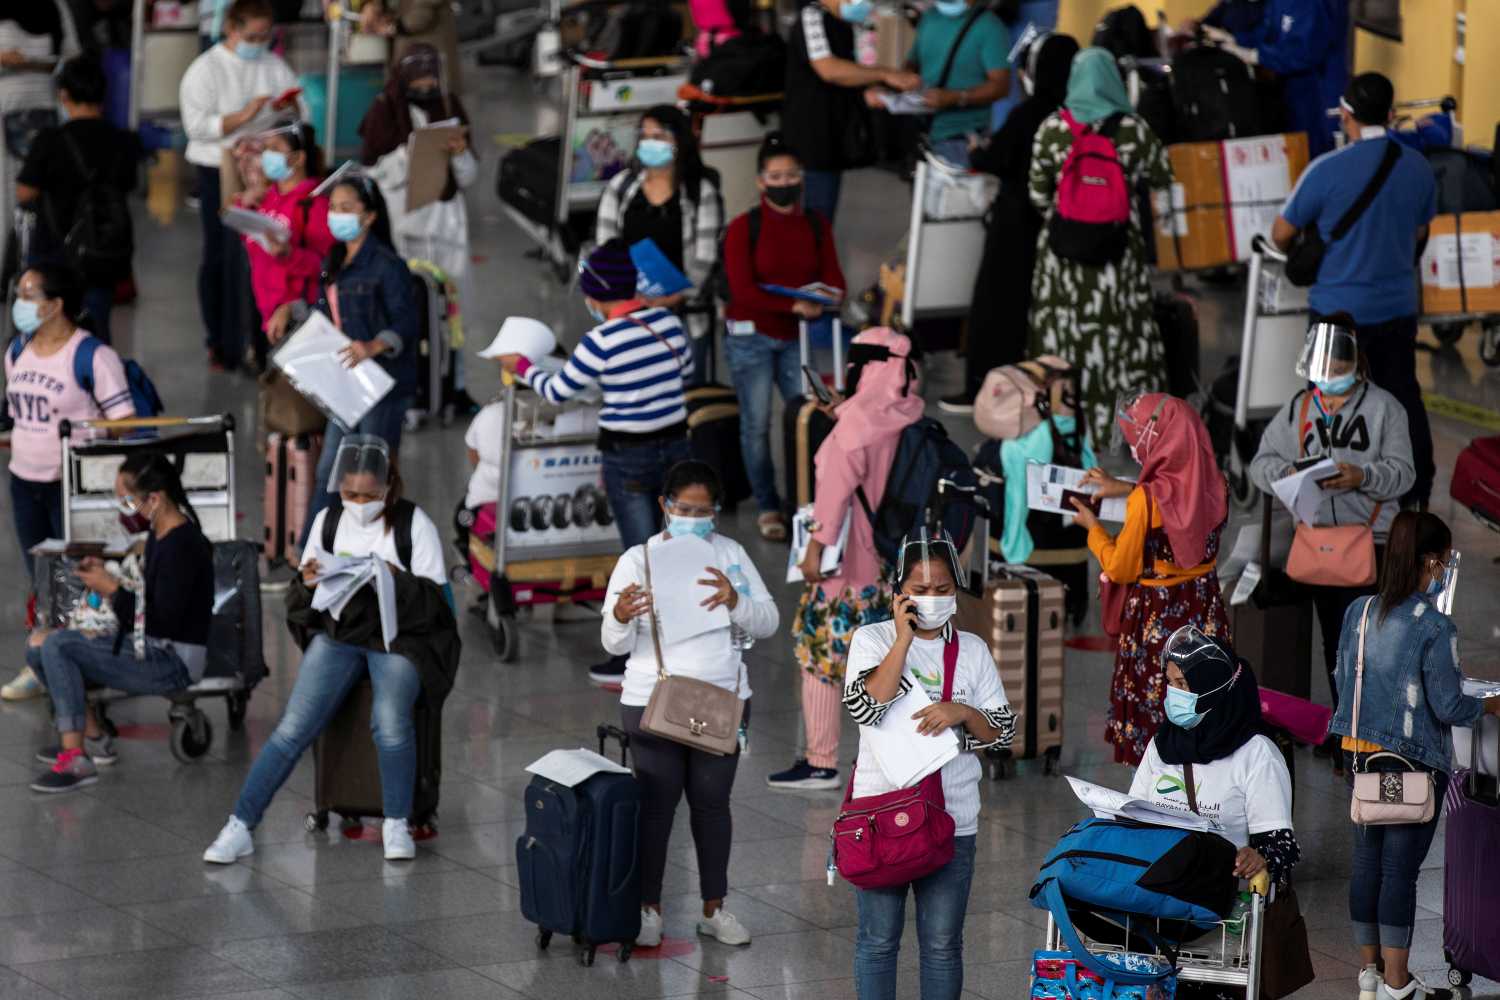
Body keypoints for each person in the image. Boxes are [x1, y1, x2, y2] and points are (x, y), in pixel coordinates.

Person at [205, 436, 460, 863]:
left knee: (390, 722)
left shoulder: (413, 525)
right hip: (342, 634)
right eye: (349, 493)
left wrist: (396, 579)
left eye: (368, 494)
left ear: (389, 485)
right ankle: (241, 824)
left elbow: (440, 606)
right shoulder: (328, 521)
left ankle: (396, 820)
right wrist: (307, 581)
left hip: (400, 639)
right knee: (293, 728)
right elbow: (304, 598)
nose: (358, 503)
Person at [494, 240, 691, 688]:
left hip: (630, 456)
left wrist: (523, 366)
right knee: (676, 550)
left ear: (595, 298)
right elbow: (684, 369)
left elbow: (557, 391)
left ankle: (638, 661)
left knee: (641, 557)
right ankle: (684, 649)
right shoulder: (668, 323)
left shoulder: (600, 341)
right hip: (677, 450)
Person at [600, 460, 778, 948]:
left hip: (721, 700)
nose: (694, 518)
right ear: (664, 506)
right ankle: (648, 908)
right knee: (656, 809)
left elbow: (768, 621)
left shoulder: (731, 553)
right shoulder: (638, 560)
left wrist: (735, 601)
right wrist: (618, 614)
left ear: (717, 513)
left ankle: (714, 909)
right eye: (684, 508)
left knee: (712, 807)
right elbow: (613, 644)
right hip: (652, 700)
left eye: (704, 511)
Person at [1328, 511, 1500, 1000]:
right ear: (1430, 561)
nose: (1446, 567)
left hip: (1359, 756)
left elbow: (1343, 680)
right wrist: (1488, 704)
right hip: (1411, 764)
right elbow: (1448, 705)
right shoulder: (1434, 625)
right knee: (1398, 871)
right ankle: (1398, 984)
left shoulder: (1357, 611)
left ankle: (1369, 975)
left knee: (1367, 862)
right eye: (1444, 559)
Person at [842, 530, 1015, 1000]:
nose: (931, 599)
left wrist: (963, 714)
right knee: (878, 942)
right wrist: (902, 641)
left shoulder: (974, 650)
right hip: (880, 815)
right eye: (919, 589)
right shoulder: (871, 639)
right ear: (898, 592)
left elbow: (1003, 731)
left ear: (956, 590)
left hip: (953, 818)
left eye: (942, 589)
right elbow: (865, 708)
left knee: (942, 946)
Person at [1272, 73, 1437, 508]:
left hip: (1336, 319)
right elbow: (1420, 230)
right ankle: (1415, 493)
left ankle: (1326, 499)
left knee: (1328, 408)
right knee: (1402, 400)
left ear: (1345, 115)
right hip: (1397, 310)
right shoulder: (1419, 167)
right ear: (1390, 114)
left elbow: (1280, 234)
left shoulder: (1326, 170)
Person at [768, 327, 921, 791]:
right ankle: (894, 762)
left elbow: (835, 492)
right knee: (887, 659)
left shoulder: (853, 428)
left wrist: (816, 547)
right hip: (890, 564)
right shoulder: (907, 410)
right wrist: (844, 408)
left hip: (846, 569)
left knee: (819, 659)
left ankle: (820, 762)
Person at [1248, 320, 1415, 725]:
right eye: (1322, 375)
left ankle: (1375, 733)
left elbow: (1404, 473)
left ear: (1356, 368)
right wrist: (1293, 472)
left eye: (1337, 375)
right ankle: (1345, 735)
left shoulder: (1385, 409)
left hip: (1373, 542)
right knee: (1335, 643)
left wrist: (1364, 476)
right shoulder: (1301, 407)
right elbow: (1260, 464)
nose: (1328, 384)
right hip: (1319, 543)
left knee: (1372, 644)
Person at [29, 453, 215, 792]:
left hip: (170, 661)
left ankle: (77, 759)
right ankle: (93, 737)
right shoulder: (160, 535)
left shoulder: (183, 545)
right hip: (148, 645)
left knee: (57, 645)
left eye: (127, 500)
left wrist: (112, 590)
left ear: (154, 499)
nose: (123, 507)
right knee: (39, 648)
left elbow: (163, 621)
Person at [1068, 393, 1232, 766]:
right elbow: (1182, 502)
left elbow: (1122, 567)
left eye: (1136, 439)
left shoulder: (1145, 501)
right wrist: (1127, 488)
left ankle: (1159, 794)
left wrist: (1094, 529)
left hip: (1158, 619)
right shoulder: (1217, 482)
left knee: (1160, 705)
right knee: (1202, 697)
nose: (1133, 447)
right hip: (1205, 607)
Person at [1, 265, 135, 702]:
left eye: (28, 294)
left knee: (76, 580)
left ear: (56, 304)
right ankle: (44, 662)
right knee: (41, 578)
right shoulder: (17, 349)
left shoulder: (93, 356)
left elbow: (127, 425)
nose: (19, 304)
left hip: (72, 485)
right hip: (25, 481)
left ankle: (79, 664)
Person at [1027, 48, 1171, 446]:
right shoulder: (1135, 129)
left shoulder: (1053, 128)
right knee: (1120, 335)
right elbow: (1162, 178)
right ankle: (1125, 425)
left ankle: (1063, 419)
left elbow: (1038, 196)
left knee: (1063, 334)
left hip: (1063, 257)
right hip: (1118, 253)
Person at [941, 30, 1078, 413]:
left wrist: (977, 151)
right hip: (1064, 227)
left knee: (997, 305)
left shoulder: (1028, 115)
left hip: (1016, 225)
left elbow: (996, 160)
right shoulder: (1079, 117)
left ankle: (985, 387)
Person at [722, 133, 847, 541]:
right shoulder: (744, 228)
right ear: (761, 181)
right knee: (756, 424)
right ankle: (768, 505)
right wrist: (794, 305)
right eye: (775, 176)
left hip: (799, 339)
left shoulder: (816, 225)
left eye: (791, 174)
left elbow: (835, 280)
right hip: (751, 338)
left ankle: (807, 501)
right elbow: (743, 291)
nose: (784, 182)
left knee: (808, 418)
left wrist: (823, 298)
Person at [179, 0, 302, 371]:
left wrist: (288, 111)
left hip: (264, 172)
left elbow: (300, 111)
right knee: (220, 254)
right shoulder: (206, 69)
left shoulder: (274, 65)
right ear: (231, 30)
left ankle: (254, 336)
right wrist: (243, 117)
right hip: (219, 168)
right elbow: (197, 126)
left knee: (260, 255)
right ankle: (220, 339)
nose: (258, 42)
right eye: (251, 36)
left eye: (265, 36)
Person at [1129, 627, 1301, 889]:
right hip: (1159, 882)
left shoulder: (1256, 753)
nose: (1173, 693)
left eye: (1183, 684)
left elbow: (1281, 845)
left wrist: (1258, 857)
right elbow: (1134, 814)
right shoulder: (1164, 743)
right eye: (1170, 682)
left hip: (1220, 891)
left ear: (1212, 687)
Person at [301, 173, 421, 539]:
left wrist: (373, 345)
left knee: (373, 470)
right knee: (329, 470)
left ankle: (376, 544)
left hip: (380, 385)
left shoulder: (388, 266)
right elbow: (325, 312)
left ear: (369, 215)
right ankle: (314, 548)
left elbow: (408, 322)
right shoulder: (334, 260)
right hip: (347, 382)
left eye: (346, 208)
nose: (337, 215)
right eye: (334, 208)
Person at [15, 54, 140, 345]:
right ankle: (95, 382)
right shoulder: (124, 141)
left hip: (54, 248)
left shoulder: (50, 139)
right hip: (102, 249)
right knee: (96, 325)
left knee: (47, 330)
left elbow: (25, 191)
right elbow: (127, 186)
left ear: (64, 95)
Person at [595, 106, 722, 382]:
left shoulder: (701, 192)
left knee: (685, 393)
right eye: (646, 136)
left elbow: (705, 257)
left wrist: (676, 296)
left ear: (680, 142)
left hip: (684, 315)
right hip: (628, 311)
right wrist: (626, 292)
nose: (651, 142)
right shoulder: (621, 186)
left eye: (661, 136)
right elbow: (606, 246)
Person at [359, 44, 477, 340]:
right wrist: (406, 155)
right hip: (405, 221)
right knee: (410, 302)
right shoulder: (384, 110)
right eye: (419, 79)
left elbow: (469, 176)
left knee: (450, 309)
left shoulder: (448, 106)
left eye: (432, 79)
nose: (427, 86)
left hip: (446, 222)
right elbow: (372, 173)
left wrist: (460, 155)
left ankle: (450, 371)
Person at [782, 0, 920, 221]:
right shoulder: (813, 16)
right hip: (811, 137)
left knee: (823, 217)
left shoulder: (845, 23)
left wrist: (870, 91)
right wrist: (884, 74)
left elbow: (848, 75)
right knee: (813, 218)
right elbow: (829, 69)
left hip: (832, 135)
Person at [865, 0, 1010, 167]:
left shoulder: (990, 26)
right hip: (923, 132)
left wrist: (957, 97)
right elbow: (913, 63)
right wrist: (894, 86)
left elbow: (1001, 86)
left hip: (963, 138)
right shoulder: (929, 18)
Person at [1197, 0, 1347, 156]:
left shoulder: (1314, 5)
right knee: (1293, 153)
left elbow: (1305, 52)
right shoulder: (1278, 3)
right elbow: (1267, 32)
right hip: (1289, 93)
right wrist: (1234, 39)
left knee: (1316, 153)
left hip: (1316, 93)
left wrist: (1256, 56)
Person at [234, 119, 333, 348]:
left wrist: (288, 254)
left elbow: (325, 266)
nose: (267, 155)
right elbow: (254, 245)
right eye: (266, 148)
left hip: (297, 316)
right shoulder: (269, 197)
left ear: (298, 158)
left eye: (275, 149)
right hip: (265, 311)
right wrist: (245, 209)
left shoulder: (314, 205)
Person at [0, 2, 81, 273]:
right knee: (5, 197)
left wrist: (49, 65)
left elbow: (72, 57)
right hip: (4, 112)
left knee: (40, 201)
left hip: (45, 115)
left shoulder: (55, 7)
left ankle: (34, 273)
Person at [358, 0, 463, 96]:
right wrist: (372, 6)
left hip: (427, 50)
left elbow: (422, 15)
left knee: (436, 104)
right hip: (406, 52)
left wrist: (394, 27)